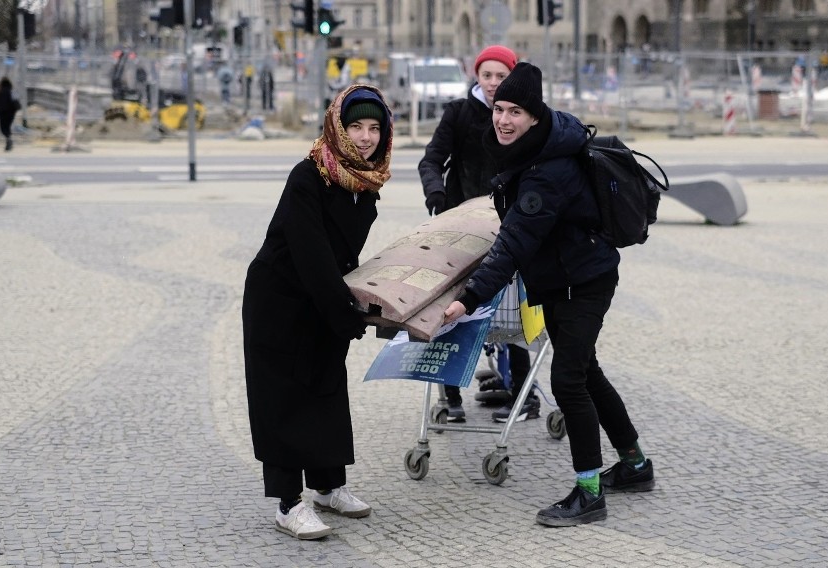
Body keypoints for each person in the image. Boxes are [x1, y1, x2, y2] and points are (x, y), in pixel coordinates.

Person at [442, 62, 654, 527]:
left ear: (535, 116)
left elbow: (515, 241)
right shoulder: (534, 150)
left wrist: (468, 298)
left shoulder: (546, 171)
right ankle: (635, 465)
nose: (503, 119)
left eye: (515, 111)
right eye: (499, 108)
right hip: (563, 278)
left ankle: (589, 493)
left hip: (584, 282)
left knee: (568, 381)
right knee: (587, 373)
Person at [242, 84, 393, 540]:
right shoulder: (308, 176)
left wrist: (360, 303)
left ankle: (329, 485)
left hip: (325, 297)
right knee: (284, 396)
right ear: (337, 127)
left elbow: (344, 259)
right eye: (355, 126)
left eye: (374, 128)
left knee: (327, 385)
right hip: (281, 299)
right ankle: (289, 504)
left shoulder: (366, 183)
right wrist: (346, 314)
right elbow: (311, 255)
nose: (365, 137)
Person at [418, 45, 540, 424]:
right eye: (485, 75)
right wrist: (435, 191)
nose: (492, 83)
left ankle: (522, 392)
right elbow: (432, 158)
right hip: (459, 224)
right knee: (450, 308)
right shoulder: (458, 113)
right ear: (476, 76)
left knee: (509, 311)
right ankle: (450, 396)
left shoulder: (519, 117)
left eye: (500, 76)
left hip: (506, 225)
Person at [0, 77, 19, 152]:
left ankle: (8, 139)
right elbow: (15, 101)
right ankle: (9, 139)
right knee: (8, 126)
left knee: (3, 127)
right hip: (11, 112)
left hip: (2, 112)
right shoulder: (11, 91)